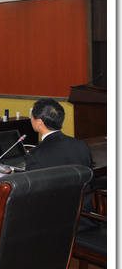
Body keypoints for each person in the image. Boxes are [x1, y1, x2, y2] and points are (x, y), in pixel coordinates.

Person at [25, 98, 97, 230]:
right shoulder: (81, 145)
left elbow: (32, 197)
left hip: (56, 227)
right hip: (85, 219)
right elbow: (89, 183)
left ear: (39, 122)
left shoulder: (36, 155)